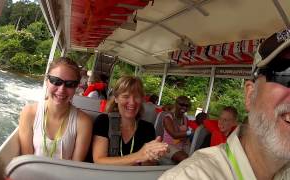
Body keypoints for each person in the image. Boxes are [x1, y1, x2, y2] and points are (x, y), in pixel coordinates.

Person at [159, 30, 290, 179]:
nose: (183, 108)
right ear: (250, 96)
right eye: (287, 74)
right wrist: (190, 133)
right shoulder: (192, 176)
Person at [18, 57, 93, 161]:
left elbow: (76, 166)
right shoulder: (29, 113)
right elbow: (26, 161)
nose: (61, 89)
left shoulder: (83, 122)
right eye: (56, 81)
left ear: (76, 87)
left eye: (70, 84)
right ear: (47, 81)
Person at [92, 75, 168, 165]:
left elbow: (148, 165)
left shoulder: (148, 128)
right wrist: (139, 156)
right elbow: (99, 160)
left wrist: (154, 156)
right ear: (116, 98)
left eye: (136, 97)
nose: (132, 102)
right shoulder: (104, 121)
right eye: (126, 96)